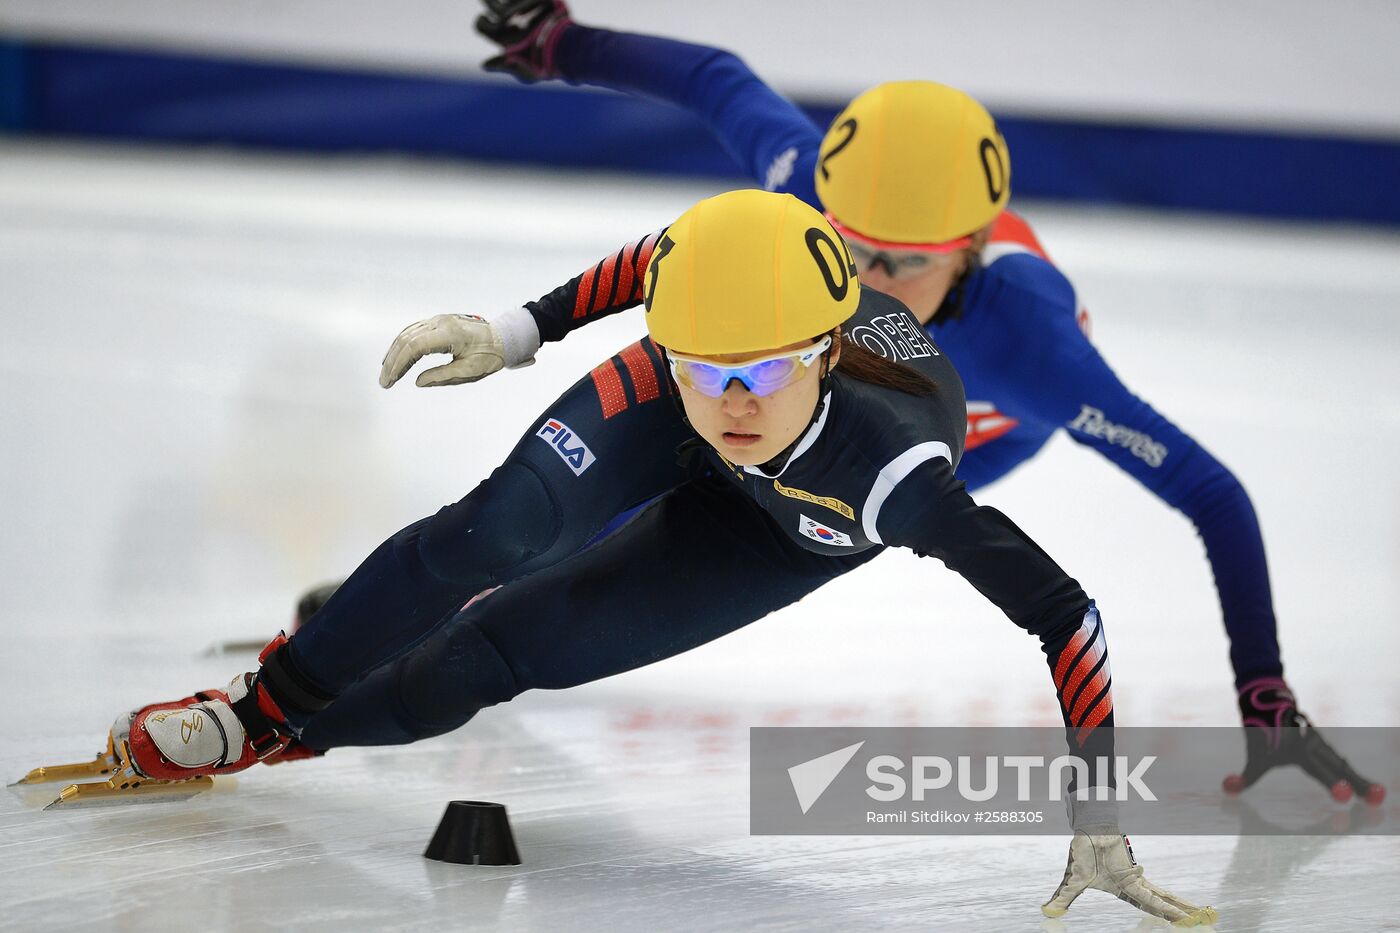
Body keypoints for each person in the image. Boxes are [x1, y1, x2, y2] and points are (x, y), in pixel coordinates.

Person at [109, 191, 1210, 925]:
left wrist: (1096, 814)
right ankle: (255, 709)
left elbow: (1066, 615)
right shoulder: (711, 337)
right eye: (702, 364)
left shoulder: (896, 477)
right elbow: (656, 261)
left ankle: (296, 736)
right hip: (665, 413)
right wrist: (518, 329)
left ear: (826, 351)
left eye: (765, 373)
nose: (732, 403)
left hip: (775, 532)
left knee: (497, 653)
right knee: (493, 535)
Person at [455, 0, 1383, 805]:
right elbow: (716, 80)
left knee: (714, 513)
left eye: (903, 264)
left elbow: (1212, 492)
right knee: (646, 453)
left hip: (975, 427)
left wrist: (1266, 699)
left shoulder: (1035, 349)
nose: (863, 279)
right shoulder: (805, 186)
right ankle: (444, 617)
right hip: (842, 379)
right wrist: (563, 44)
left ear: (970, 249)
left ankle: (479, 628)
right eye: (848, 245)